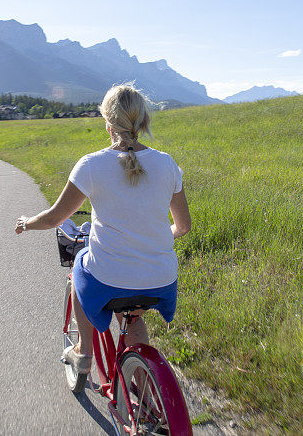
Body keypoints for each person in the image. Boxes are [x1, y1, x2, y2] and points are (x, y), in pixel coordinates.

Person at [14, 83, 191, 374]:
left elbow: (54, 218)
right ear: (144, 121)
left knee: (80, 268)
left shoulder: (91, 165)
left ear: (107, 123)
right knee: (132, 317)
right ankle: (143, 389)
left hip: (109, 276)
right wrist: (153, 240)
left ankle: (84, 353)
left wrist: (27, 223)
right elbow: (182, 226)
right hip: (161, 279)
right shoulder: (167, 164)